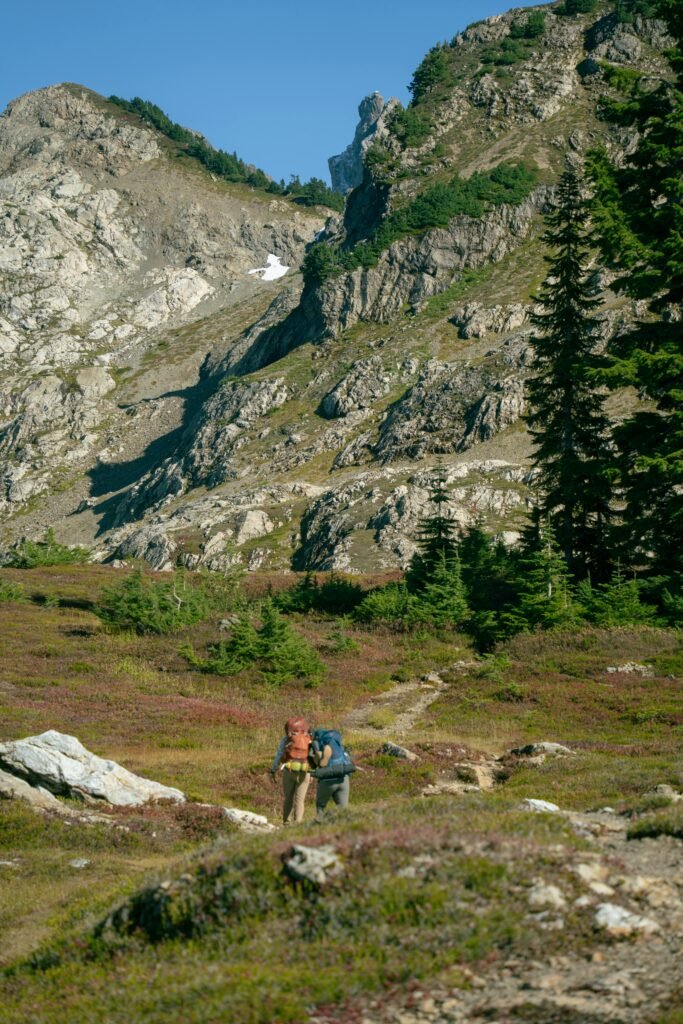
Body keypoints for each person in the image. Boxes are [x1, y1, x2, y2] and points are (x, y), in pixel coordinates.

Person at [269, 717, 312, 825]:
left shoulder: (286, 739)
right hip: (305, 772)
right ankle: (298, 823)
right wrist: (313, 773)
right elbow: (313, 757)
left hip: (289, 771)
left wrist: (273, 770)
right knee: (300, 800)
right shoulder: (309, 739)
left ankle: (286, 824)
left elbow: (279, 755)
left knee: (288, 798)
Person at [311, 727, 353, 822]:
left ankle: (321, 825)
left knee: (320, 806)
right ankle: (345, 828)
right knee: (343, 808)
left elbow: (321, 764)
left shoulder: (317, 745)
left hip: (327, 781)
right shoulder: (339, 746)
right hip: (343, 778)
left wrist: (316, 757)